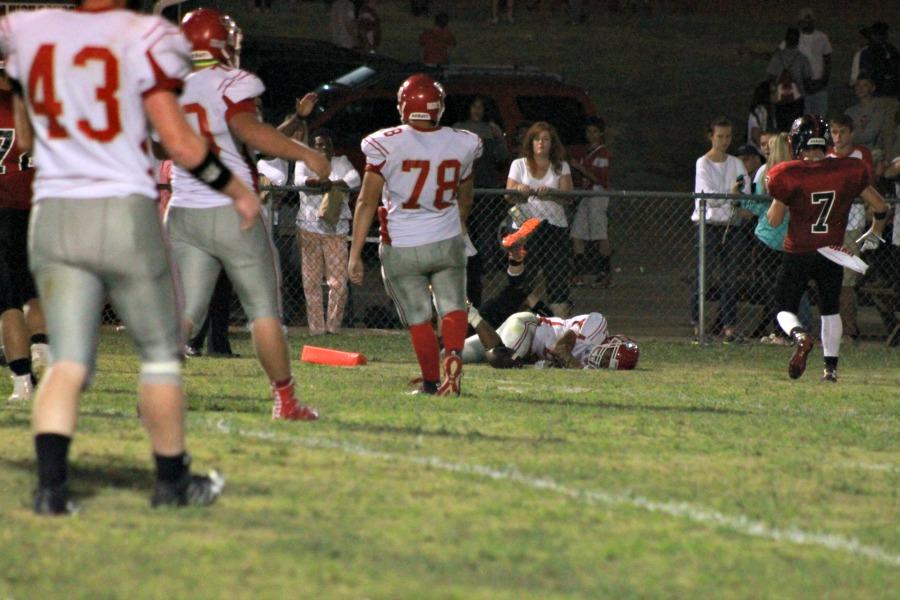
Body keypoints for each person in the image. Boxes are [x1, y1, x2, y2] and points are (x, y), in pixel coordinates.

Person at [0, 0, 262, 514]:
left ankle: (51, 490)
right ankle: (172, 482)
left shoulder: (28, 31)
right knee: (160, 358)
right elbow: (180, 143)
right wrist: (235, 188)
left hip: (53, 208)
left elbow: (27, 138)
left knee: (66, 362)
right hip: (121, 206)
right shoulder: (145, 35)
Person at [170, 9, 330, 421]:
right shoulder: (230, 82)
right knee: (263, 311)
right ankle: (286, 400)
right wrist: (308, 153)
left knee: (186, 313)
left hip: (184, 208)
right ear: (223, 44)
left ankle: (155, 391)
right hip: (230, 207)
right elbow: (248, 130)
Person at [349, 73, 482, 396]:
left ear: (404, 105)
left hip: (403, 243)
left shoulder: (385, 141)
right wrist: (457, 222)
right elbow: (466, 197)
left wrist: (354, 254)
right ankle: (452, 357)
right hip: (447, 238)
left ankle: (432, 380)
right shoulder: (463, 141)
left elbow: (367, 201)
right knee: (452, 306)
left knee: (418, 317)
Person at [766, 115, 889, 382]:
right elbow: (881, 207)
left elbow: (774, 220)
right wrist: (876, 231)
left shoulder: (788, 173)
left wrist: (781, 198)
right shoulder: (848, 169)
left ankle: (800, 336)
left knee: (783, 307)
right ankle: (830, 370)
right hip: (832, 250)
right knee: (830, 309)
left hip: (798, 249)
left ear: (797, 141)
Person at [0, 65, 49, 402]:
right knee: (30, 289)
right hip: (36, 209)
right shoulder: (41, 104)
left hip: (7, 208)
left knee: (7, 301)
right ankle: (44, 350)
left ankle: (22, 380)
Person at [295, 129, 360, 335]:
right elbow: (298, 180)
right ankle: (316, 328)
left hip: (336, 229)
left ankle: (333, 327)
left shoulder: (341, 162)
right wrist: (316, 182)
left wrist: (331, 183)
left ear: (332, 148)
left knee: (338, 282)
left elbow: (355, 179)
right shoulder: (304, 161)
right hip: (308, 228)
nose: (322, 148)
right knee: (311, 282)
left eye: (326, 145)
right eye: (318, 145)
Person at [505, 121, 574, 317]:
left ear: (553, 143)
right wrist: (520, 191)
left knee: (557, 276)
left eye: (545, 139)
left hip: (554, 227)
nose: (541, 143)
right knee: (526, 276)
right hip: (527, 228)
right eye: (537, 139)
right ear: (530, 142)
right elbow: (508, 196)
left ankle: (558, 323)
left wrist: (551, 193)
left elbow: (568, 197)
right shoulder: (519, 164)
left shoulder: (561, 166)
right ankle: (523, 321)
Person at [691, 117, 750, 342]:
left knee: (730, 278)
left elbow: (744, 189)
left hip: (730, 225)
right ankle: (698, 324)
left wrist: (732, 195)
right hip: (708, 225)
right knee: (703, 275)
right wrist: (731, 193)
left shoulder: (735, 162)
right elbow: (709, 196)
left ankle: (729, 326)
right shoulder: (703, 163)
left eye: (727, 137)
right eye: (720, 136)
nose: (724, 141)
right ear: (711, 137)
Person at [453, 96, 510, 303]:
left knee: (486, 229)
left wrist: (498, 137)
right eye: (474, 106)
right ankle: (462, 264)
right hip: (463, 188)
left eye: (481, 106)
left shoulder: (490, 129)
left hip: (486, 188)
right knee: (463, 226)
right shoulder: (458, 129)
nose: (477, 110)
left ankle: (487, 267)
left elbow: (502, 157)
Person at [461, 304, 638, 370]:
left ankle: (472, 318)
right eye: (609, 357)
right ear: (611, 344)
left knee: (452, 355)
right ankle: (472, 314)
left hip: (522, 346)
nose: (603, 362)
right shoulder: (598, 325)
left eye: (609, 365)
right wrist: (579, 370)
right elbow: (560, 348)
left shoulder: (591, 364)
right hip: (527, 327)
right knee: (500, 358)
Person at [827, 114, 875, 340]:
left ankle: (847, 328)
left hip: (852, 224)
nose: (837, 137)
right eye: (834, 132)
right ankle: (830, 327)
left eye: (842, 132)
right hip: (829, 225)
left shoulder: (860, 155)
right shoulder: (827, 156)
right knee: (828, 278)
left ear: (851, 133)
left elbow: (869, 186)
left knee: (847, 280)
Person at [570, 116, 613, 288]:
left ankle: (605, 274)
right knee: (577, 234)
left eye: (594, 131)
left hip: (598, 196)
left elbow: (599, 179)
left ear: (600, 133)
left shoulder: (602, 153)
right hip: (587, 196)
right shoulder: (588, 152)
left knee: (599, 234)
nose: (591, 135)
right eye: (588, 131)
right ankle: (578, 273)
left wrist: (580, 168)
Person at [767, 27, 813, 131]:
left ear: (786, 40)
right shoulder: (802, 58)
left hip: (780, 99)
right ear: (797, 41)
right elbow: (808, 82)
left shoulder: (777, 57)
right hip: (797, 101)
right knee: (796, 129)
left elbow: (770, 78)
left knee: (781, 129)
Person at [791, 8, 832, 117]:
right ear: (799, 22)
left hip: (818, 84)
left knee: (820, 116)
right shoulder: (795, 37)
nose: (807, 24)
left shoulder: (822, 37)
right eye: (805, 21)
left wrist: (824, 80)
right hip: (801, 85)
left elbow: (827, 60)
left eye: (810, 21)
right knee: (804, 117)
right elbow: (783, 54)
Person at [846, 74, 889, 152]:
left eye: (865, 85)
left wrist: (848, 137)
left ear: (872, 88)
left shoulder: (879, 109)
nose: (860, 88)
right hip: (851, 151)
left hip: (870, 151)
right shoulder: (850, 111)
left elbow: (869, 135)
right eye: (858, 85)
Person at [747, 81, 776, 151]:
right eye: (772, 92)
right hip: (757, 152)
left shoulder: (769, 110)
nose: (776, 94)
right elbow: (755, 135)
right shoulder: (760, 111)